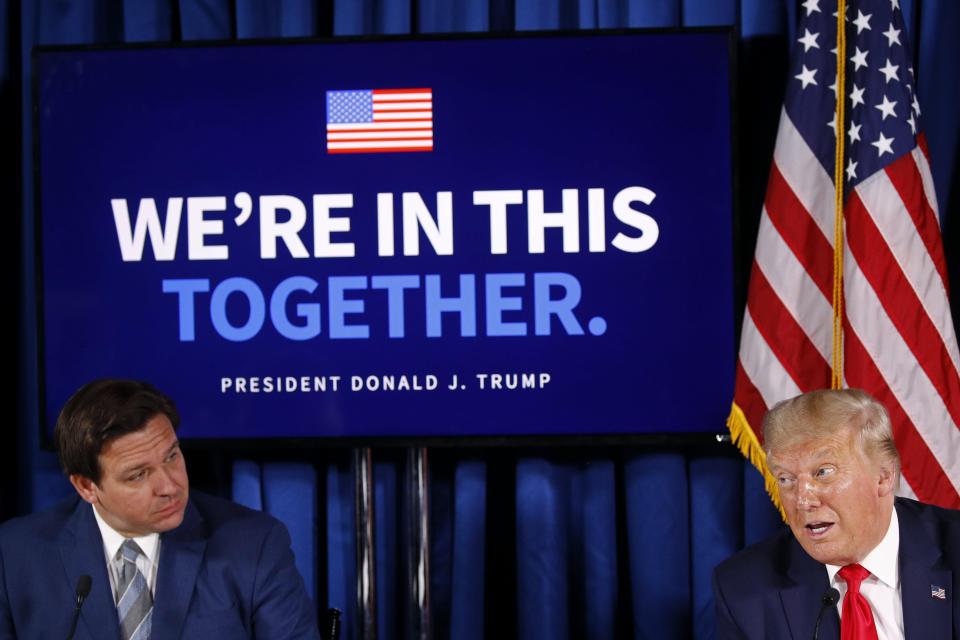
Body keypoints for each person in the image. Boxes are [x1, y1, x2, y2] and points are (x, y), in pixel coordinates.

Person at [0, 379, 320, 639]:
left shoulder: (254, 544)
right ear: (86, 487)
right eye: (138, 475)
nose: (170, 486)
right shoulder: (16, 554)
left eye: (171, 457)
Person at [713, 388, 960, 639]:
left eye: (823, 472)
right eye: (786, 479)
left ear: (884, 476)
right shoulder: (744, 589)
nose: (802, 500)